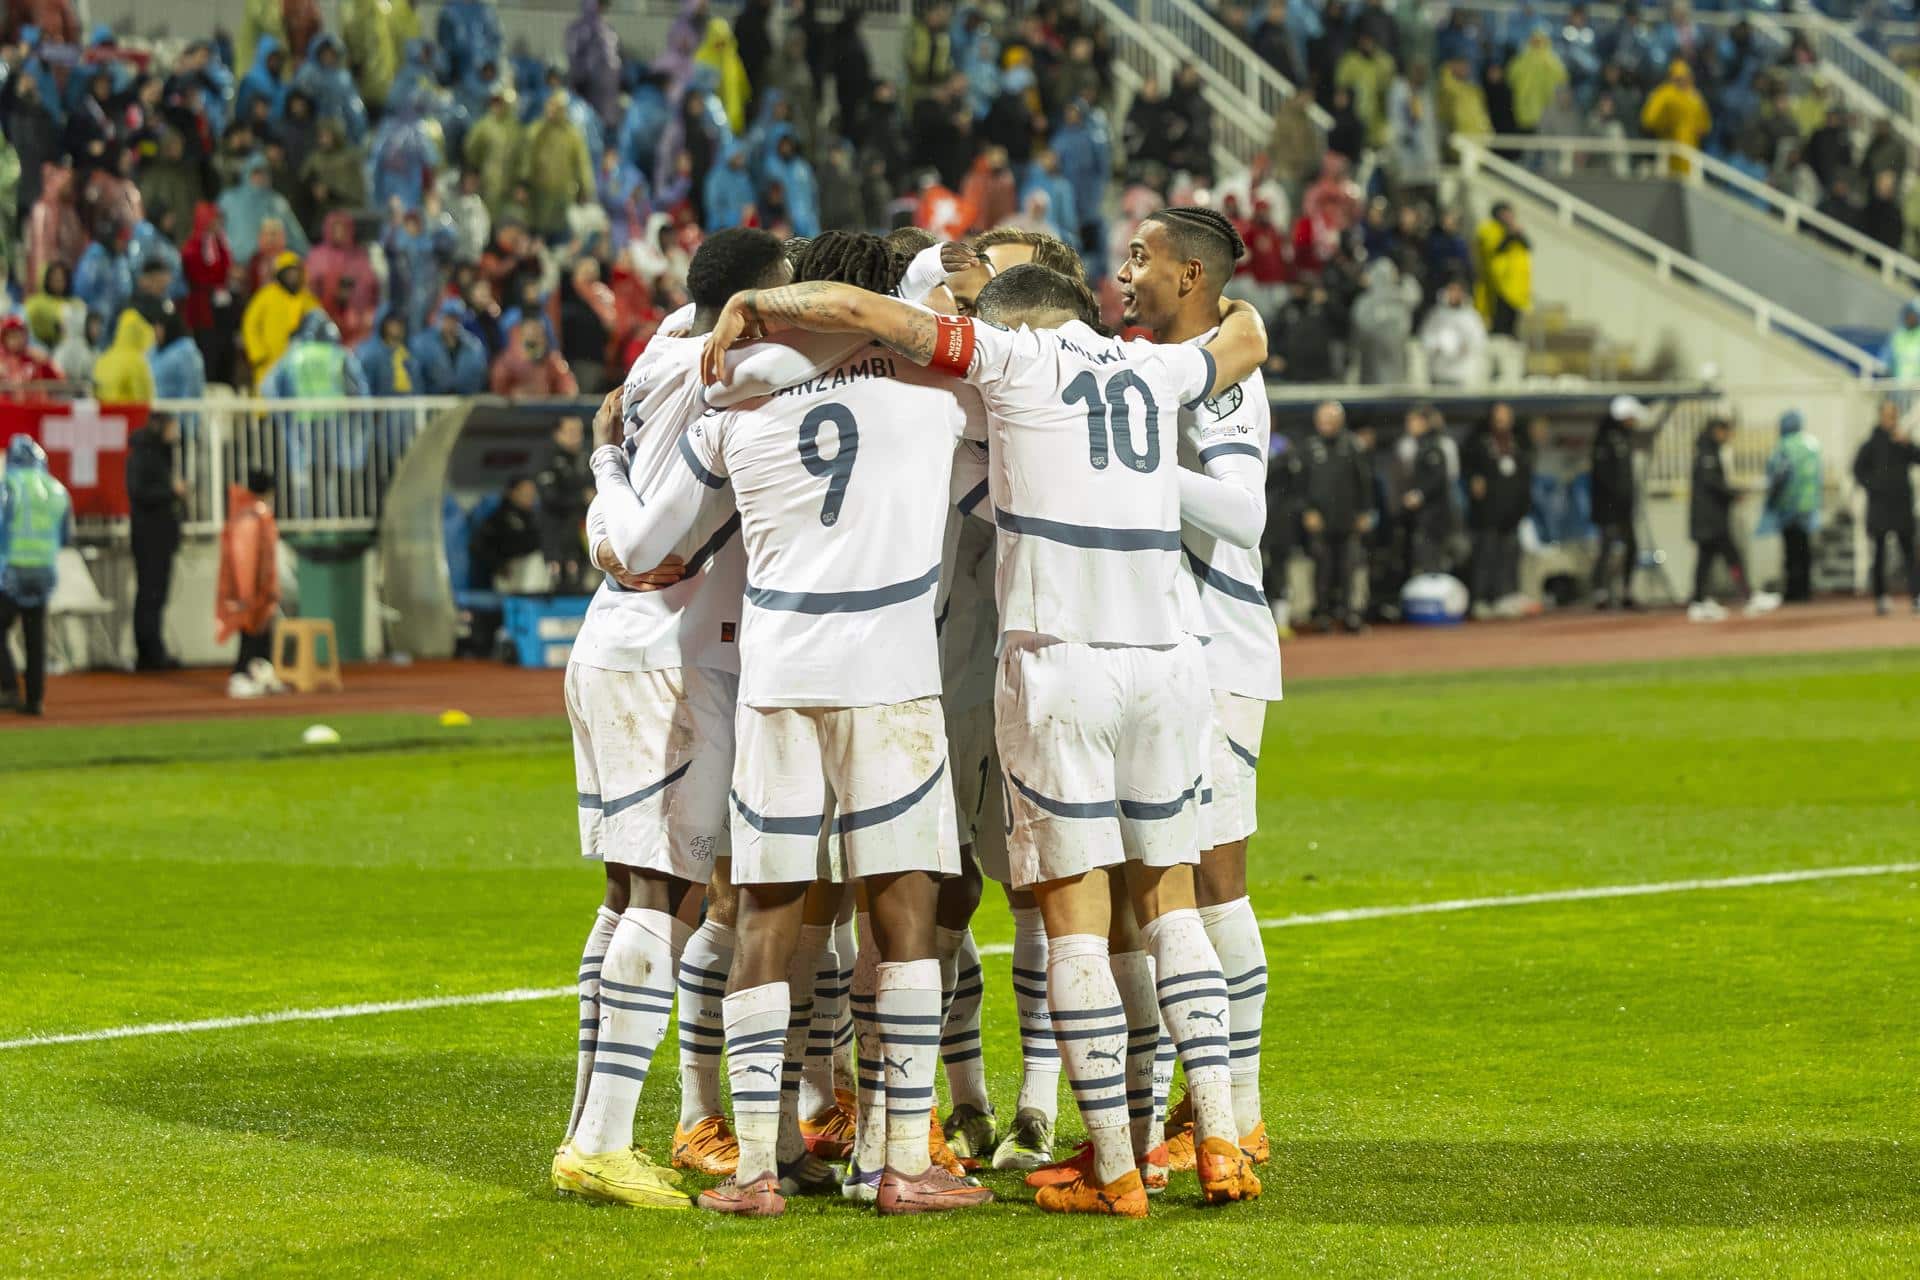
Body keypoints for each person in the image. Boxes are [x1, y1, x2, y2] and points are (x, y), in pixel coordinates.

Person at [678, 253, 1269, 1218]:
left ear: (1010, 326)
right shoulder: (1151, 368)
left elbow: (864, 313)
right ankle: (1213, 1142)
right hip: (1169, 660)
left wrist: (755, 302)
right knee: (1169, 901)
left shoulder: (1004, 365)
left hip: (1047, 661)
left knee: (1063, 914)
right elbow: (1246, 338)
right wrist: (1226, 294)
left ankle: (1113, 1169)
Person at [1115, 206, 1281, 1177]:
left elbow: (1244, 515)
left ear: (1190, 277)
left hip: (1219, 651)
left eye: (1142, 256)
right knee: (1164, 879)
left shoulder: (1222, 391)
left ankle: (1240, 1111)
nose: (1124, 269)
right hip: (1168, 647)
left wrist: (1136, 470)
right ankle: (1198, 1101)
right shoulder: (1171, 368)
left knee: (1215, 878)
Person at [0, 435, 74, 716]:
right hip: (44, 572)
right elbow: (66, 536)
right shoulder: (57, 490)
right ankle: (35, 699)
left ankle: (7, 686)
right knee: (35, 637)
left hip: (12, 572)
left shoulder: (10, 486)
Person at [1686, 416, 1775, 621]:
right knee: (1730, 557)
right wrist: (1735, 493)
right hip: (1711, 519)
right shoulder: (1707, 453)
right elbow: (1713, 483)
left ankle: (1699, 601)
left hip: (1709, 518)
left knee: (1706, 560)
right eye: (1726, 431)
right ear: (1717, 430)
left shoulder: (1708, 451)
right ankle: (1747, 596)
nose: (1729, 436)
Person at [1300, 400, 1373, 631]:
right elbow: (1299, 485)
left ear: (1340, 421)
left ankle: (1351, 614)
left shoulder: (1353, 446)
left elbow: (1365, 482)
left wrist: (1365, 511)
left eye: (1331, 420)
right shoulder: (1309, 448)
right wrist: (1306, 511)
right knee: (1322, 568)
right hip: (1320, 519)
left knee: (1349, 569)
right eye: (1322, 420)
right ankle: (1322, 615)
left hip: (1348, 519)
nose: (1326, 425)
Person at [217, 469, 285, 698]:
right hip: (253, 589)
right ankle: (241, 674)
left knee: (262, 631)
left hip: (260, 588)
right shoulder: (251, 517)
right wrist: (247, 593)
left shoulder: (253, 513)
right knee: (251, 631)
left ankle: (259, 672)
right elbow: (246, 557)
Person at [126, 414, 187, 670]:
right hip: (149, 535)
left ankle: (153, 650)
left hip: (160, 535)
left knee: (155, 595)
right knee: (150, 595)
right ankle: (149, 653)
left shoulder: (160, 454)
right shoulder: (143, 455)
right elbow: (137, 491)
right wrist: (171, 492)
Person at [1852, 400, 1920, 614]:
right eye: (1887, 415)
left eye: (1894, 415)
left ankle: (1916, 596)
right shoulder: (1870, 444)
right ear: (1880, 416)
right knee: (1879, 554)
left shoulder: (1903, 443)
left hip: (1902, 506)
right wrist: (1875, 487)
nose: (1891, 419)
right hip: (1879, 507)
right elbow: (1857, 470)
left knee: (1910, 554)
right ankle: (1881, 597)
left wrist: (1908, 444)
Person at [1464, 402, 1532, 616]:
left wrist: (1523, 505)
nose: (1502, 420)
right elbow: (1468, 467)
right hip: (1487, 511)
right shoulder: (1479, 442)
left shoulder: (1519, 442)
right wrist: (1473, 480)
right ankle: (1481, 599)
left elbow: (1525, 475)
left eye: (1506, 416)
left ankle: (1506, 597)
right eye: (1499, 416)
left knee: (1510, 555)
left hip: (1512, 511)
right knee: (1485, 555)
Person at [1591, 394, 1655, 609]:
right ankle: (1600, 593)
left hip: (1624, 505)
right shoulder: (1605, 438)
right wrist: (1614, 498)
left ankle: (1626, 591)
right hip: (1608, 506)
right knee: (1607, 548)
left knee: (1631, 547)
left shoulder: (1625, 437)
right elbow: (1603, 476)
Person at [1760, 410, 1821, 604]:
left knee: (1791, 551)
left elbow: (1778, 475)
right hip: (1809, 506)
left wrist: (1771, 501)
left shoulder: (1784, 447)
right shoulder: (1812, 445)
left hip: (1789, 505)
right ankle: (1805, 589)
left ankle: (1794, 591)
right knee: (1804, 550)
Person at [242, 251, 324, 388]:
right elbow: (250, 324)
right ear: (280, 274)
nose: (292, 276)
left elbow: (320, 327)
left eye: (295, 272)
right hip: (269, 363)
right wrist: (258, 354)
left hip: (300, 364)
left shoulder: (308, 300)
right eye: (288, 272)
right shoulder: (266, 296)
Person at [535, 415, 593, 591]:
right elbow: (549, 496)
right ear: (557, 434)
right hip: (556, 536)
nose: (576, 436)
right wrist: (581, 498)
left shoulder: (587, 458)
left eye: (579, 432)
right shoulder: (547, 460)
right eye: (570, 431)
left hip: (583, 535)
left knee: (583, 584)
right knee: (557, 585)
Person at [1397, 404, 1452, 576]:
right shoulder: (1418, 445)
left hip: (1433, 516)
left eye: (1412, 421)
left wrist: (1419, 494)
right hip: (1423, 515)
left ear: (1423, 423)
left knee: (1431, 559)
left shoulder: (1432, 447)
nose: (1409, 425)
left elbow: (1438, 478)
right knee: (1421, 558)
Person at [1474, 202, 1530, 337]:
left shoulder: (1513, 229)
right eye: (1505, 213)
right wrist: (1509, 234)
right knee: (1498, 317)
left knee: (1512, 319)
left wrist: (1517, 233)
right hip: (1497, 282)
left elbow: (1527, 246)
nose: (1509, 217)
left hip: (1515, 284)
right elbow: (1494, 249)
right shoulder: (1489, 228)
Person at [1419, 277, 1488, 387]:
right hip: (1440, 373)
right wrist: (1436, 347)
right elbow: (1426, 338)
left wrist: (1467, 347)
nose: (1454, 294)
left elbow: (1479, 340)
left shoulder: (1471, 316)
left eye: (1457, 291)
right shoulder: (1435, 315)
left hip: (1464, 374)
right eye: (1451, 290)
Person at [411, 298, 490, 393]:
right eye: (449, 318)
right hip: (432, 402)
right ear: (440, 318)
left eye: (456, 319)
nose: (452, 323)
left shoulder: (474, 345)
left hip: (465, 401)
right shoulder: (423, 343)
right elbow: (416, 377)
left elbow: (480, 375)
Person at [490, 319, 580, 396]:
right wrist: (513, 394)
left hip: (545, 412)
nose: (534, 342)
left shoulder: (553, 361)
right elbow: (498, 390)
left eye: (538, 336)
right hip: (515, 412)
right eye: (530, 341)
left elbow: (569, 389)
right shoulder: (507, 362)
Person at [93, 311, 158, 404]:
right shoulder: (136, 362)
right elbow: (145, 398)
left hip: (105, 416)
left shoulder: (104, 357)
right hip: (127, 415)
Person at [1877, 300, 1920, 380]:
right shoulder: (1898, 335)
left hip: (1915, 387)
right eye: (1909, 315)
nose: (1910, 319)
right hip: (1896, 383)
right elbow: (1885, 357)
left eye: (1914, 316)